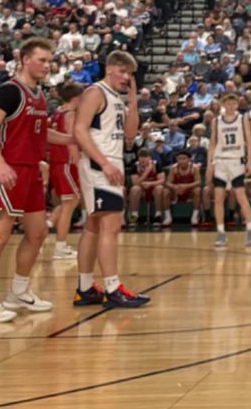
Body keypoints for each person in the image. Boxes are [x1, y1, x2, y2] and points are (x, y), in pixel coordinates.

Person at [0, 37, 61, 324]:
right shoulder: (10, 92)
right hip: (8, 171)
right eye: (42, 60)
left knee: (37, 233)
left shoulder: (40, 94)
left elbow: (41, 133)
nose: (47, 65)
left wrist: (75, 138)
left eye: (49, 60)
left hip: (31, 171)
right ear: (25, 60)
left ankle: (18, 292)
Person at [73, 51, 149, 309]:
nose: (127, 78)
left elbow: (130, 135)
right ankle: (112, 287)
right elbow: (79, 130)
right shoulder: (95, 92)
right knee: (111, 225)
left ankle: (85, 289)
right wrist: (104, 163)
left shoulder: (116, 97)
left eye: (130, 74)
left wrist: (133, 100)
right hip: (99, 165)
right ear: (109, 69)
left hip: (109, 164)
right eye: (123, 72)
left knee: (93, 227)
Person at [207, 94, 251, 248]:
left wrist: (249, 161)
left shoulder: (242, 119)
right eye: (228, 103)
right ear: (223, 104)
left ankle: (250, 229)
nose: (230, 106)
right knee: (219, 198)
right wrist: (210, 164)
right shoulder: (216, 121)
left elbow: (249, 140)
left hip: (237, 162)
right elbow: (213, 142)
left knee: (241, 196)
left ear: (237, 104)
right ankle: (221, 232)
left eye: (233, 103)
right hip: (221, 161)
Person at [46, 81, 82, 260]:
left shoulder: (56, 112)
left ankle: (48, 225)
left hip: (56, 162)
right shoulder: (70, 114)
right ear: (76, 98)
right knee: (70, 203)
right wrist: (78, 162)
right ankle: (60, 246)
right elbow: (72, 141)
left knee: (67, 202)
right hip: (66, 162)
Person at [127, 148, 168, 227]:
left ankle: (158, 215)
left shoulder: (156, 165)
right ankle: (134, 216)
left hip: (153, 189)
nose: (143, 159)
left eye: (145, 156)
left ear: (150, 158)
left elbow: (162, 180)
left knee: (159, 188)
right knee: (135, 189)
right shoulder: (135, 166)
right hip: (141, 190)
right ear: (138, 158)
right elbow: (135, 183)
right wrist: (146, 172)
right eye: (141, 157)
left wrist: (150, 183)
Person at [163, 149, 202, 226]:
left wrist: (186, 186)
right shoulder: (173, 168)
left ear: (188, 159)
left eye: (184, 158)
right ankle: (168, 217)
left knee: (197, 191)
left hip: (189, 191)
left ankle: (194, 216)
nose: (181, 161)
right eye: (179, 159)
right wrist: (175, 187)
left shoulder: (194, 168)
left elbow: (198, 182)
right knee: (165, 192)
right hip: (176, 192)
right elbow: (168, 182)